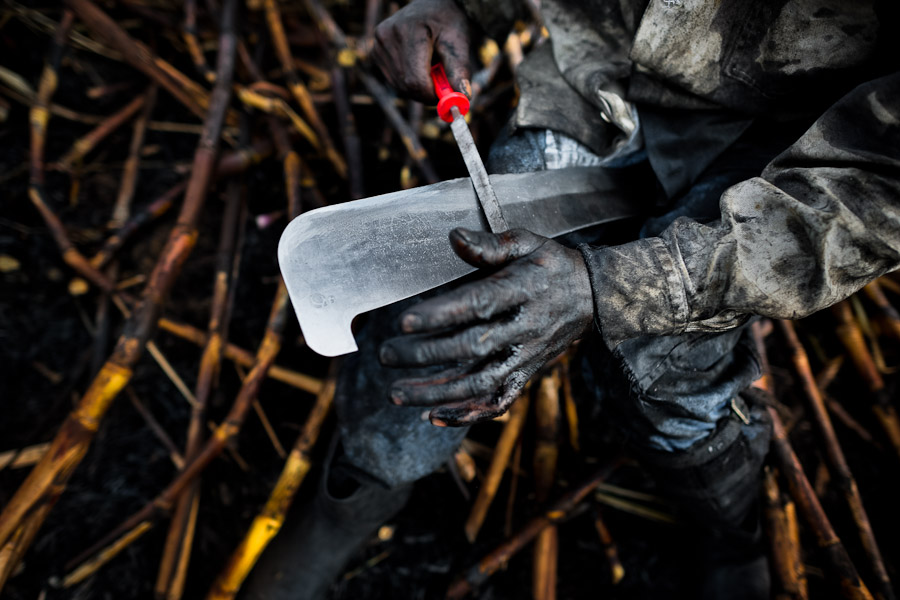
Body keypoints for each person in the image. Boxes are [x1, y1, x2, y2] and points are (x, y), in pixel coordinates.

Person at [245, 1, 900, 598]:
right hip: (599, 78)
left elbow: (880, 188)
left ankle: (729, 528)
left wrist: (610, 287)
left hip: (801, 160)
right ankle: (362, 484)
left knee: (666, 361)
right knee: (467, 280)